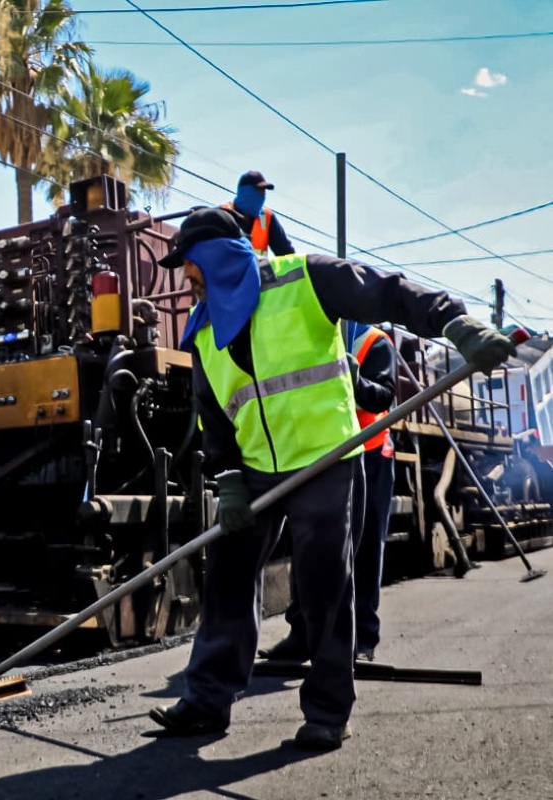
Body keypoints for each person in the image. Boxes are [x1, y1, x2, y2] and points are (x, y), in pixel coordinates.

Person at [148, 207, 514, 750]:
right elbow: (213, 414)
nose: (186, 279)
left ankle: (326, 709)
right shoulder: (201, 328)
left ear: (216, 256)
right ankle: (206, 700)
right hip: (253, 468)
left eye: (190, 266)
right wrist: (226, 479)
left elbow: (389, 293)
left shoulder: (305, 279)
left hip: (325, 456)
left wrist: (456, 324)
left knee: (323, 583)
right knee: (226, 577)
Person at [259, 321, 398, 665]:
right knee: (307, 546)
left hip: (369, 452)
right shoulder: (311, 334)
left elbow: (384, 395)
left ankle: (362, 638)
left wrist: (357, 380)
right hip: (322, 453)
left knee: (363, 549)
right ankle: (301, 635)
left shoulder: (373, 341)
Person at [222, 170, 295, 257]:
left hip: (257, 270)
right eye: (259, 190)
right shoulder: (222, 214)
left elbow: (286, 254)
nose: (262, 195)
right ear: (245, 191)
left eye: (264, 191)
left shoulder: (267, 217)